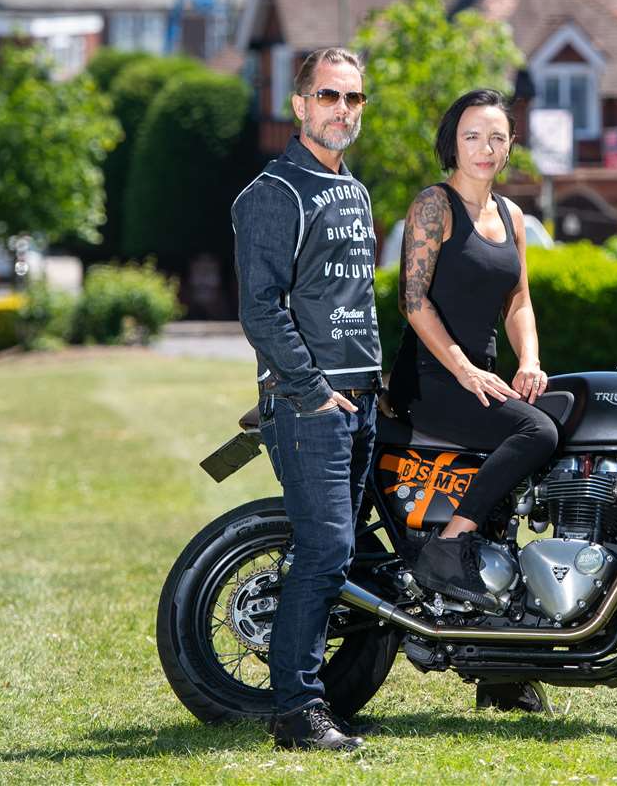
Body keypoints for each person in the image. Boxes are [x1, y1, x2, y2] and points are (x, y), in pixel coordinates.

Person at [232, 47, 379, 752]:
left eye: (353, 99)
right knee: (325, 550)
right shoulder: (273, 192)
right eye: (329, 96)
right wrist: (313, 391)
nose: (341, 111)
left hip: (363, 401)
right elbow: (260, 309)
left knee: (339, 557)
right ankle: (296, 712)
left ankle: (321, 696)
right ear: (298, 105)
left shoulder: (353, 191)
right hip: (310, 405)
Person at [387, 88, 559, 608]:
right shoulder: (434, 206)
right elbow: (412, 302)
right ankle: (449, 545)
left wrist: (529, 359)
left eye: (496, 138)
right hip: (432, 380)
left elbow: (519, 301)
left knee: (566, 418)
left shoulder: (511, 217)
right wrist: (464, 370)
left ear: (509, 148)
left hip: (481, 377)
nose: (485, 148)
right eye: (472, 137)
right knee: (538, 430)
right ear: (453, 145)